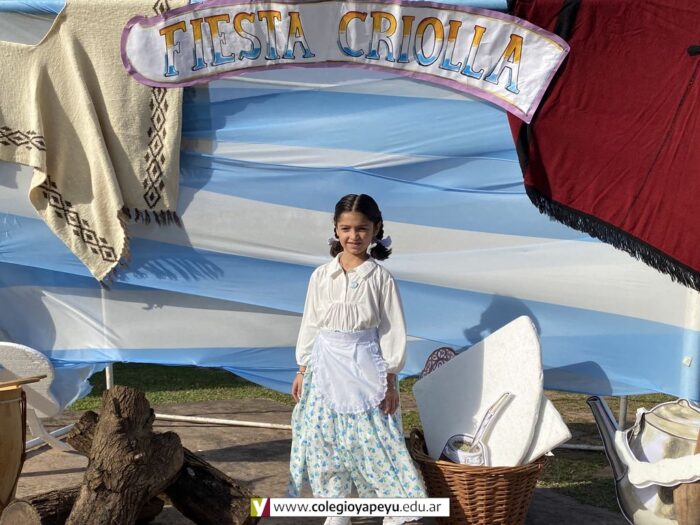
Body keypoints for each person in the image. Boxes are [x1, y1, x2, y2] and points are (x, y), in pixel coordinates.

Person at [287, 194, 427, 525]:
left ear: (376, 229)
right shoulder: (321, 276)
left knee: (373, 437)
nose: (354, 236)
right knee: (323, 437)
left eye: (362, 228)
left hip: (365, 365)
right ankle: (336, 506)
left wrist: (390, 378)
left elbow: (392, 329)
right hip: (323, 365)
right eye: (346, 228)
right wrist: (302, 367)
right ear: (336, 230)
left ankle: (395, 504)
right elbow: (311, 322)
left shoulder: (380, 278)